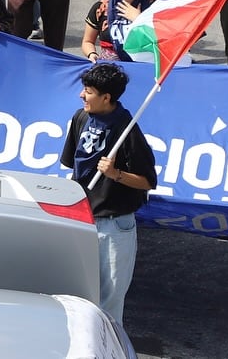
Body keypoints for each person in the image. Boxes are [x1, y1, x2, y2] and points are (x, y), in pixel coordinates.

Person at [60, 63, 157, 325]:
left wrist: (116, 174)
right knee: (77, 296)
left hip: (114, 226)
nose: (82, 96)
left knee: (109, 303)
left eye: (88, 91)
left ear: (107, 98)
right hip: (82, 219)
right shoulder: (80, 118)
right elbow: (72, 167)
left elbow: (148, 181)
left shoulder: (127, 130)